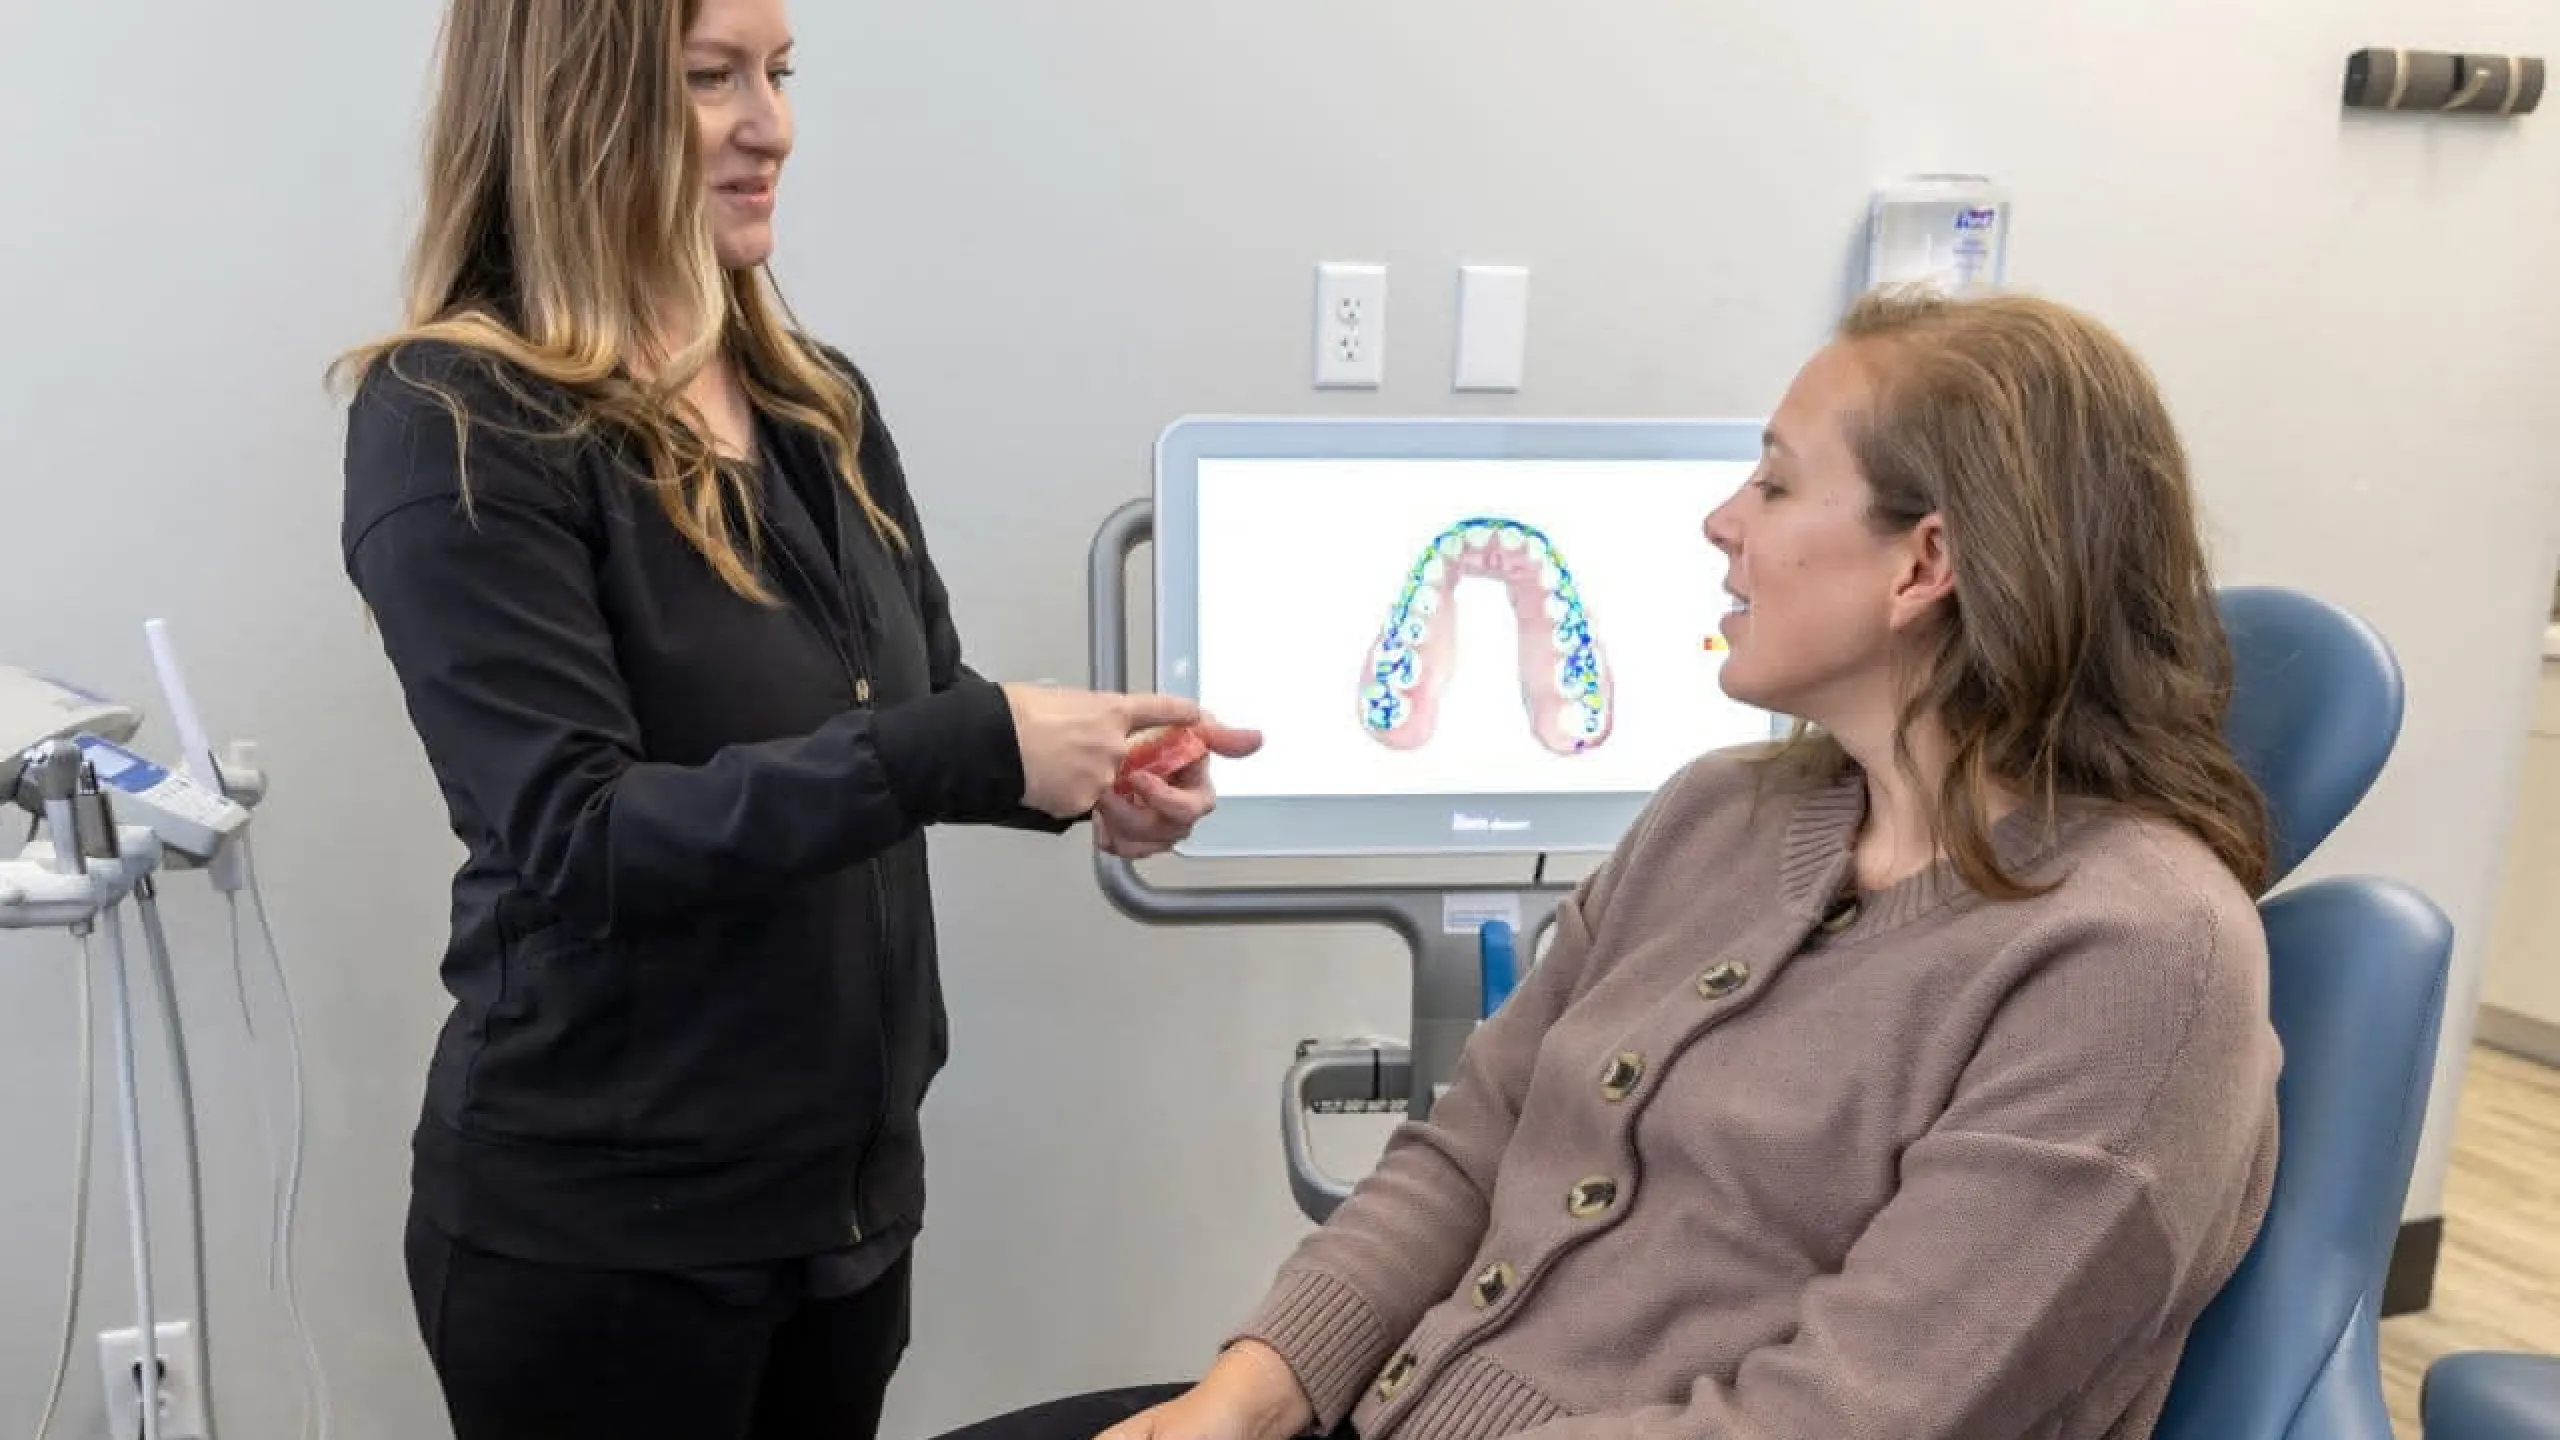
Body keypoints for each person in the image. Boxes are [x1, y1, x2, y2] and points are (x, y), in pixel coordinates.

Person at [941, 286, 2284, 1440]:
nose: (1721, 522)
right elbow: (1468, 1153)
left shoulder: (2137, 962)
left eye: (1772, 482)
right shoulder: (1718, 817)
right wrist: (1246, 1395)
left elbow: (1846, 1420)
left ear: (1923, 562)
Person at [333, 1, 1259, 1436]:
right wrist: (975, 744)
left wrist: (1079, 776)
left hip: (844, 1221)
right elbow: (582, 835)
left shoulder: (810, 402)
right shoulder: (456, 418)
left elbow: (911, 710)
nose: (772, 124)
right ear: (576, 100)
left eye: (778, 73)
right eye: (711, 80)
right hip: (605, 1252)